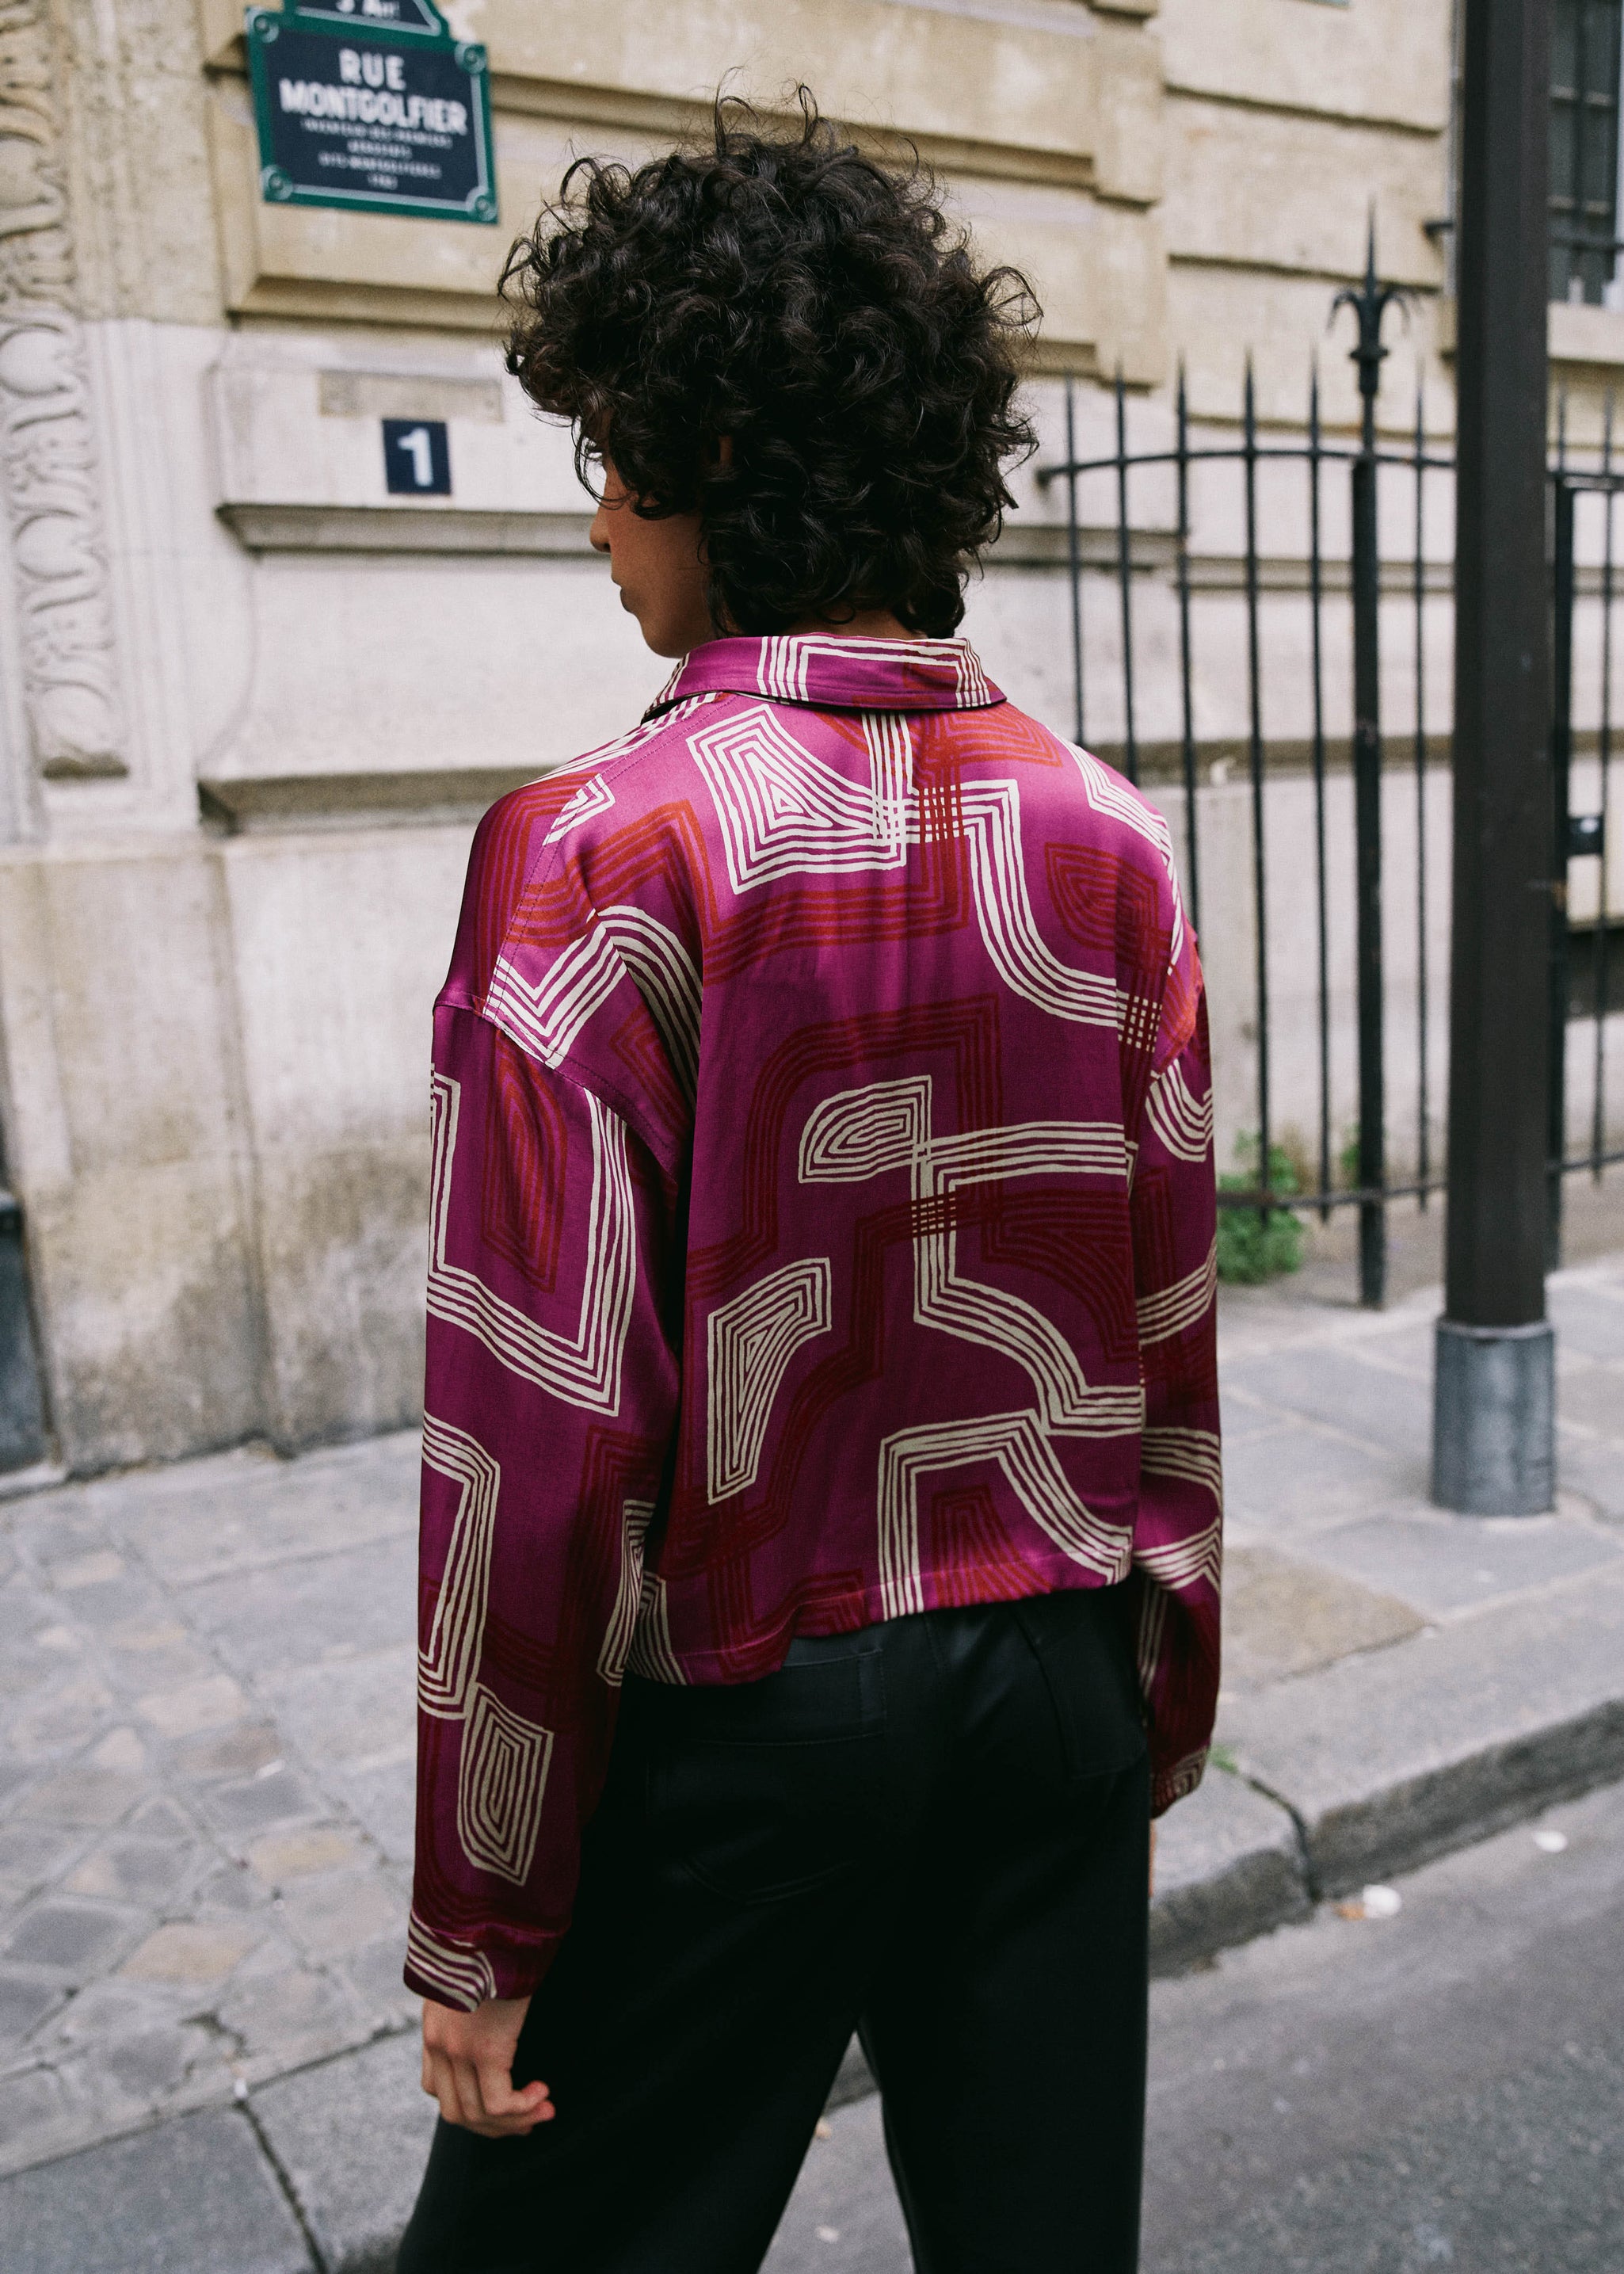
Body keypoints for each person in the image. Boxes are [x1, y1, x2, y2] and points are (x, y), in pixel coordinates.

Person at [398, 94, 1219, 2274]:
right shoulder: (1108, 839)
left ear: (720, 464)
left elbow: (535, 1434)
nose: (595, 521)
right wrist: (1158, 1671)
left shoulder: (598, 852)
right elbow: (1164, 1312)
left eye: (613, 456)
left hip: (752, 1719)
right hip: (1047, 1675)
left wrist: (481, 1919)